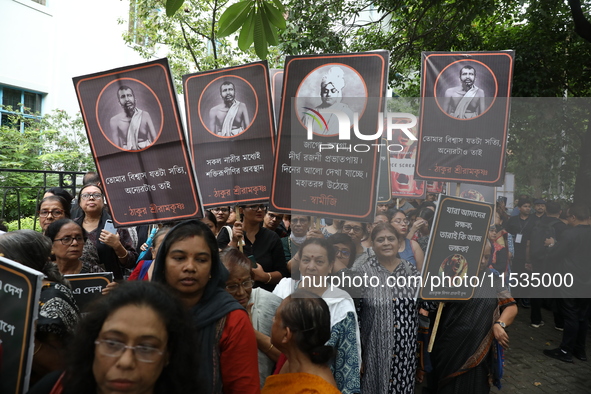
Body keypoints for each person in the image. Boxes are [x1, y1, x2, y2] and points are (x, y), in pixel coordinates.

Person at [28, 281, 201, 394]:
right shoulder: (55, 387)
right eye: (112, 343)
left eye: (146, 348)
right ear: (93, 344)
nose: (126, 362)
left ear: (168, 355)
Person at [151, 220, 260, 393]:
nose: (190, 267)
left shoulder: (232, 319)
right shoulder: (146, 312)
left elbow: (244, 388)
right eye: (179, 258)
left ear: (213, 267)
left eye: (201, 260)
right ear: (162, 263)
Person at [427, 241, 518, 393]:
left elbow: (511, 306)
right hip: (450, 347)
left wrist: (499, 324)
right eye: (480, 256)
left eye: (487, 257)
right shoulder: (450, 276)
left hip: (479, 351)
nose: (483, 260)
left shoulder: (492, 279)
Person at [273, 238, 361, 394]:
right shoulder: (283, 289)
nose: (311, 267)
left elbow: (348, 365)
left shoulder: (341, 302)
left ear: (330, 266)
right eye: (306, 260)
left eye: (319, 262)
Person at [0, 230, 79, 387]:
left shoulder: (52, 297)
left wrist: (26, 334)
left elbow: (58, 368)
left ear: (17, 265)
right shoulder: (12, 291)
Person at [354, 223, 423, 393]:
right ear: (373, 244)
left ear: (399, 242)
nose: (386, 243)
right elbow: (356, 316)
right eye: (380, 239)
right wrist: (357, 355)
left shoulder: (411, 271)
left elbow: (426, 305)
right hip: (374, 353)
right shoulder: (362, 273)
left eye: (391, 239)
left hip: (405, 354)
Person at [221, 248, 283, 388]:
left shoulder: (269, 303)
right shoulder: (214, 311)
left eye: (246, 283)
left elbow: (288, 358)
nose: (241, 292)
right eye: (232, 286)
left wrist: (250, 333)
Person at [261, 291, 342, 394]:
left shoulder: (313, 391)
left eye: (275, 318)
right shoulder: (292, 362)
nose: (272, 321)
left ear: (286, 334)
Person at [543, 204, 591, 363]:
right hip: (587, 282)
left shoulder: (569, 233)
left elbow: (556, 254)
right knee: (583, 317)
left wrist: (551, 244)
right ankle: (580, 350)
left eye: (568, 216)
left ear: (574, 217)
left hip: (570, 281)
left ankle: (565, 351)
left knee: (571, 316)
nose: (567, 219)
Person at [74, 184, 137, 280]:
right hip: (77, 280)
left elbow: (131, 262)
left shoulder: (116, 226)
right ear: (79, 202)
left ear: (103, 201)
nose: (91, 198)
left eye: (96, 195)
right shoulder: (72, 226)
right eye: (86, 195)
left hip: (108, 284)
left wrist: (117, 246)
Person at [38, 195, 101, 271]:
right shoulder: (34, 242)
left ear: (67, 216)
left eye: (57, 212)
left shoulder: (81, 245)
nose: (49, 216)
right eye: (44, 212)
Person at [239, 204, 288, 292]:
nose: (259, 210)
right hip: (236, 296)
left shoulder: (272, 237)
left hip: (265, 296)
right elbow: (220, 268)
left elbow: (282, 273)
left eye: (262, 206)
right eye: (253, 206)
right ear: (241, 210)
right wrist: (234, 241)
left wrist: (264, 277)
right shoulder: (229, 233)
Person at [303, 66, 354, 135]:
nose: (329, 94)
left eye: (333, 91)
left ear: (338, 93)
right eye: (325, 91)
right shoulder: (309, 115)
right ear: (321, 93)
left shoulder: (347, 114)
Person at [109, 85, 156, 150]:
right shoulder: (114, 121)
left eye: (129, 95)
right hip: (128, 154)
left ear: (135, 99)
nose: (127, 99)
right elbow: (117, 149)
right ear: (119, 102)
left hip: (148, 150)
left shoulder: (145, 115)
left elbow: (155, 141)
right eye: (123, 97)